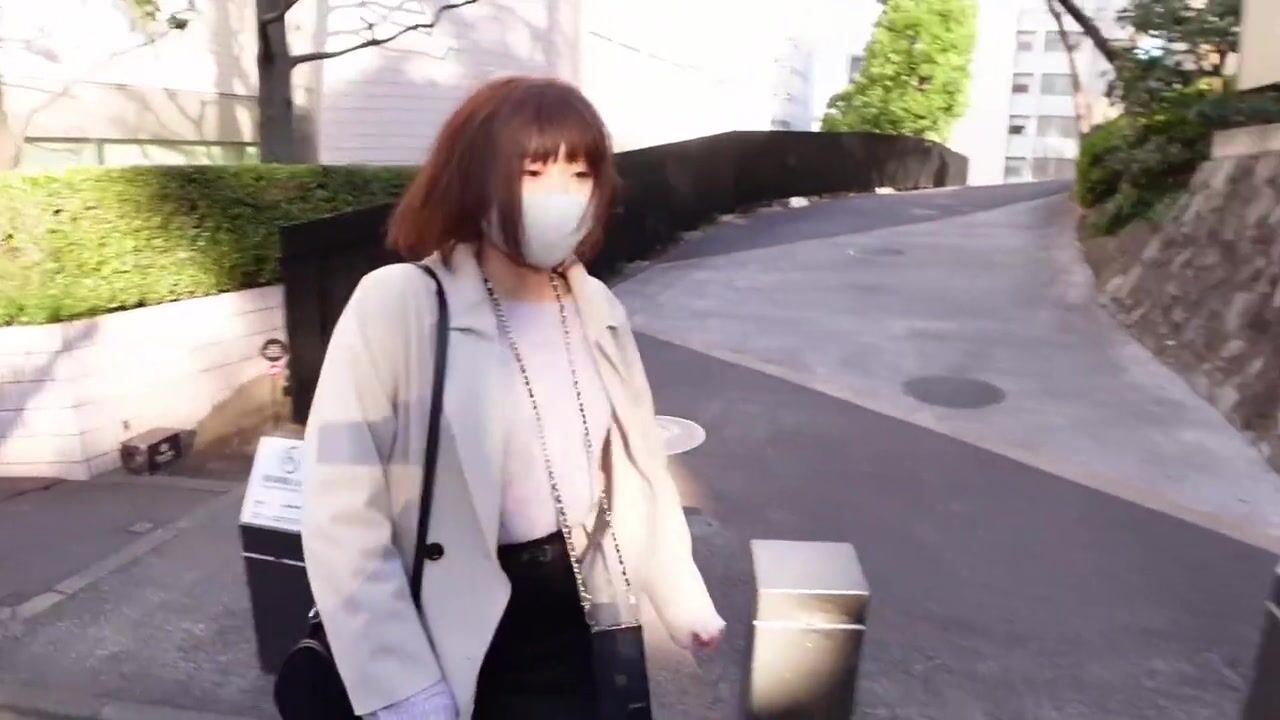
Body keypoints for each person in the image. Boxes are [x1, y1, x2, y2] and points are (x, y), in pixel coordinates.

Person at [301, 76, 726, 720]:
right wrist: (402, 685)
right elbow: (340, 502)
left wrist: (677, 587)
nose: (562, 196)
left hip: (580, 602)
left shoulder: (595, 306)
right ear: (475, 179)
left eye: (580, 174)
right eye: (533, 173)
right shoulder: (400, 304)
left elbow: (637, 462)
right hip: (449, 618)